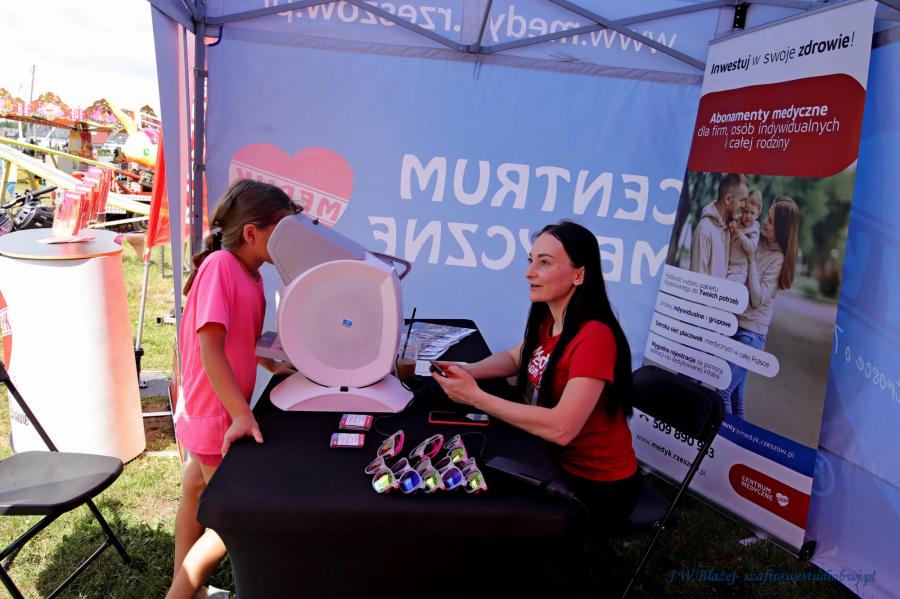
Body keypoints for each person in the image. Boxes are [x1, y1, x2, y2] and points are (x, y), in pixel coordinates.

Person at [432, 220, 641, 535]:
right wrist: (468, 370)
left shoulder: (595, 337)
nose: (529, 272)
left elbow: (562, 428)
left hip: (595, 486)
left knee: (479, 502)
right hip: (548, 456)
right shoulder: (550, 317)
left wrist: (476, 397)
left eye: (544, 263)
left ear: (579, 275)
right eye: (531, 260)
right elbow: (516, 357)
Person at [167, 180, 299, 599]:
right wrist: (241, 413)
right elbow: (210, 347)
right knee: (230, 523)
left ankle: (192, 589)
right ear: (251, 232)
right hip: (216, 415)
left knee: (196, 491)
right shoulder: (221, 267)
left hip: (218, 411)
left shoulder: (252, 275)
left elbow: (243, 337)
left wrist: (271, 363)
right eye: (283, 230)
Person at [718, 196, 799, 418]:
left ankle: (724, 436)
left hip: (751, 335)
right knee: (736, 399)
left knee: (723, 390)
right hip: (735, 325)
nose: (765, 222)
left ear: (782, 229)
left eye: (771, 221)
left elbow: (756, 299)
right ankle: (739, 438)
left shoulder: (778, 260)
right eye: (767, 217)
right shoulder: (758, 241)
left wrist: (752, 259)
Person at [690, 173, 749, 278]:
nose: (744, 206)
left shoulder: (729, 228)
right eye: (742, 200)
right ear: (728, 199)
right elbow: (697, 282)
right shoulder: (704, 231)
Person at [725, 189, 762, 283]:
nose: (748, 216)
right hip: (727, 264)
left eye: (752, 213)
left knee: (730, 288)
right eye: (746, 211)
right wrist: (731, 222)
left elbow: (752, 248)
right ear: (741, 209)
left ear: (758, 213)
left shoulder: (754, 229)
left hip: (739, 270)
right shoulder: (738, 220)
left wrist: (741, 235)